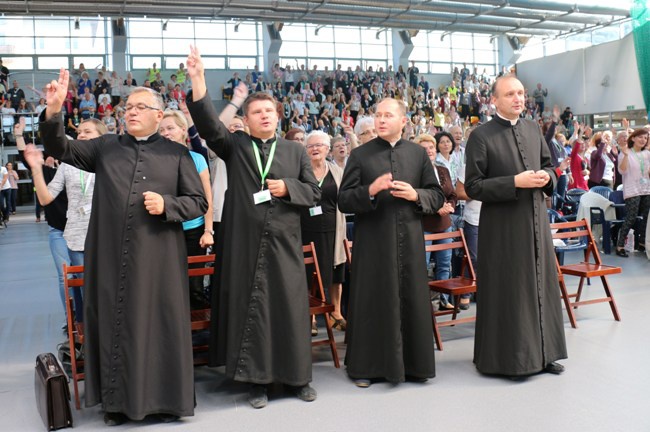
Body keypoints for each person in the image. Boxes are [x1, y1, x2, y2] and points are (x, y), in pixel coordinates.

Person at [39, 68, 207, 426]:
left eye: (139, 107)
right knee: (117, 326)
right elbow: (59, 147)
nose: (129, 111)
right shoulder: (106, 147)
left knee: (159, 326)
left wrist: (168, 206)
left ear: (158, 115)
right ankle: (116, 405)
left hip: (159, 259)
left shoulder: (178, 154)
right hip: (110, 257)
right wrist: (54, 112)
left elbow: (197, 202)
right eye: (127, 107)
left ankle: (166, 401)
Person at [185, 46, 320, 409]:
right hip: (244, 244)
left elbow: (314, 193)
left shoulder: (296, 151)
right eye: (256, 111)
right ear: (245, 118)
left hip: (285, 244)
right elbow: (208, 125)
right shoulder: (235, 145)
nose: (264, 116)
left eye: (269, 111)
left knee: (291, 311)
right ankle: (257, 382)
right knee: (253, 312)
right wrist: (198, 79)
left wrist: (287, 188)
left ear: (278, 116)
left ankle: (297, 379)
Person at [464, 74, 567, 379]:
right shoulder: (481, 136)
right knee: (511, 290)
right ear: (494, 100)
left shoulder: (533, 128)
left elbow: (550, 166)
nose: (518, 98)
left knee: (541, 285)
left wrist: (549, 177)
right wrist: (514, 182)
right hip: (503, 229)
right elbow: (473, 186)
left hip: (536, 220)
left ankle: (545, 354)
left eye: (521, 93)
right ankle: (510, 360)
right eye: (510, 94)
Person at [338, 98, 444, 387]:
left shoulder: (418, 154)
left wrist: (416, 195)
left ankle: (415, 365)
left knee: (411, 298)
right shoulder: (360, 155)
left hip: (409, 241)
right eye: (377, 115)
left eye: (388, 115)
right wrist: (369, 191)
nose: (381, 120)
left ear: (403, 121)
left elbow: (437, 196)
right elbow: (343, 200)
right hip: (373, 244)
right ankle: (366, 368)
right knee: (373, 300)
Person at [158, 109, 214, 307]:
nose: (166, 133)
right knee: (168, 284)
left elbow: (207, 197)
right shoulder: (154, 160)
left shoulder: (197, 159)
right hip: (166, 231)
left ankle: (197, 334)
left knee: (194, 286)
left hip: (194, 231)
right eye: (162, 129)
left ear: (183, 130)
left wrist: (208, 230)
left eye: (170, 128)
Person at [300, 131, 348, 335]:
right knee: (308, 274)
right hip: (306, 229)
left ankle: (336, 313)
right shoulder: (300, 171)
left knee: (336, 271)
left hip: (334, 228)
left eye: (319, 145)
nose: (315, 149)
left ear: (328, 149)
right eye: (310, 146)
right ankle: (310, 316)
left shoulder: (337, 171)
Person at [615, 128, 650, 257]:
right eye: (640, 137)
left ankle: (642, 243)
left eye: (645, 138)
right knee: (631, 217)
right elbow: (622, 171)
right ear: (633, 138)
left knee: (646, 218)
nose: (643, 140)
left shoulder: (647, 153)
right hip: (632, 190)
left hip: (646, 189)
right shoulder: (625, 152)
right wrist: (624, 155)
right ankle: (620, 246)